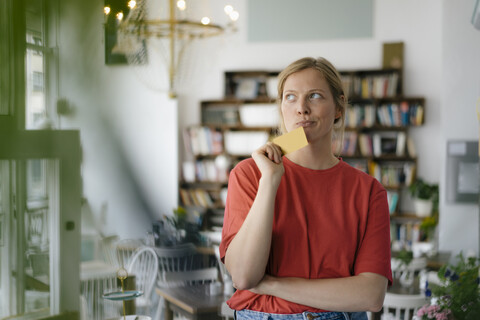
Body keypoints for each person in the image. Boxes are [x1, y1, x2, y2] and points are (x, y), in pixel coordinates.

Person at [219, 57, 392, 320]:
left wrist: (271, 284)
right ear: (281, 107)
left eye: (314, 96)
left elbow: (371, 296)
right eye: (290, 97)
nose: (301, 108)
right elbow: (244, 275)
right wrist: (269, 182)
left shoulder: (368, 190)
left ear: (338, 108)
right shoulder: (249, 175)